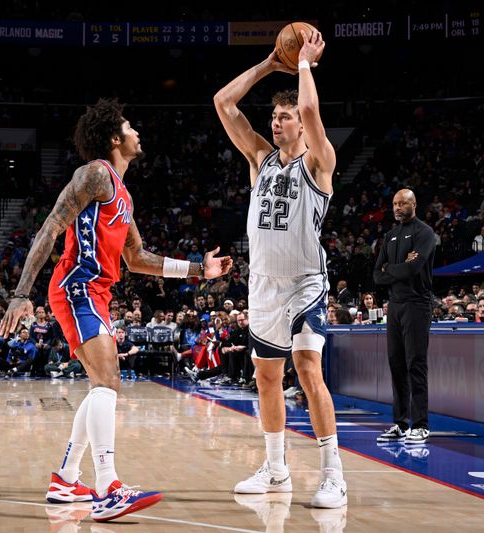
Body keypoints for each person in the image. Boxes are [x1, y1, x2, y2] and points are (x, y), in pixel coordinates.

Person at [0, 98, 232, 522]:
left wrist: (200, 269)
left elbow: (138, 258)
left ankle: (67, 479)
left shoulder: (122, 193)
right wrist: (20, 292)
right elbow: (51, 226)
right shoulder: (95, 175)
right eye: (130, 126)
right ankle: (108, 487)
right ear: (113, 139)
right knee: (108, 382)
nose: (137, 132)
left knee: (102, 386)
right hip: (77, 285)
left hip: (98, 292)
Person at [214, 29, 347, 508]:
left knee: (308, 369)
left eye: (283, 116)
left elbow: (313, 112)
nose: (276, 122)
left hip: (306, 281)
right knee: (266, 377)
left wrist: (306, 65)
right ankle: (276, 471)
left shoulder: (319, 161)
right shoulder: (259, 160)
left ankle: (333, 474)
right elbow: (223, 103)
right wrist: (271, 64)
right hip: (263, 285)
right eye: (273, 116)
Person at [373, 189, 435, 446]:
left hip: (417, 305)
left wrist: (391, 268)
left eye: (403, 203)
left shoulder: (425, 233)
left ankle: (420, 425)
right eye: (395, 204)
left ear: (414, 204)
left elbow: (414, 268)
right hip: (395, 307)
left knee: (415, 364)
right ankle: (400, 423)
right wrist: (395, 269)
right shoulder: (390, 235)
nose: (398, 208)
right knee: (396, 364)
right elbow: (377, 275)